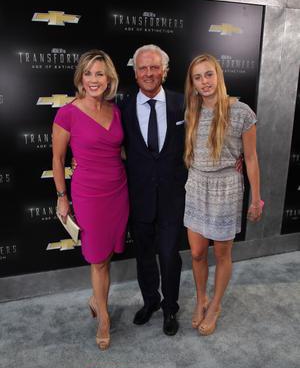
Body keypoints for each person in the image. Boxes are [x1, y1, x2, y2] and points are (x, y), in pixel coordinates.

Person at [52, 49, 129, 350]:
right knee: (98, 259)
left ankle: (95, 299)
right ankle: (104, 318)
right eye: (88, 73)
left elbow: (117, 149)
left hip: (118, 191)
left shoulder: (116, 110)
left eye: (100, 73)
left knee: (106, 256)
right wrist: (62, 197)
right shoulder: (67, 113)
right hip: (89, 195)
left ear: (109, 78)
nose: (94, 79)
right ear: (80, 78)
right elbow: (58, 159)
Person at [184, 53, 262, 336]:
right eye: (197, 77)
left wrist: (256, 198)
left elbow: (251, 158)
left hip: (226, 188)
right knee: (196, 253)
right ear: (192, 83)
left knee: (222, 254)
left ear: (218, 76)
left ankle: (215, 305)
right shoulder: (191, 112)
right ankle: (201, 297)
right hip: (196, 186)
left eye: (208, 74)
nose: (204, 81)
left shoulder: (241, 112)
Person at [121, 44, 187, 336]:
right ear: (135, 73)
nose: (149, 73)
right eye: (142, 68)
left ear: (165, 70)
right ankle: (152, 301)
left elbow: (204, 137)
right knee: (144, 255)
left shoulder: (182, 104)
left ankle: (171, 307)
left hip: (173, 196)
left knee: (170, 255)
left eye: (154, 67)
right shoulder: (121, 107)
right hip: (139, 197)